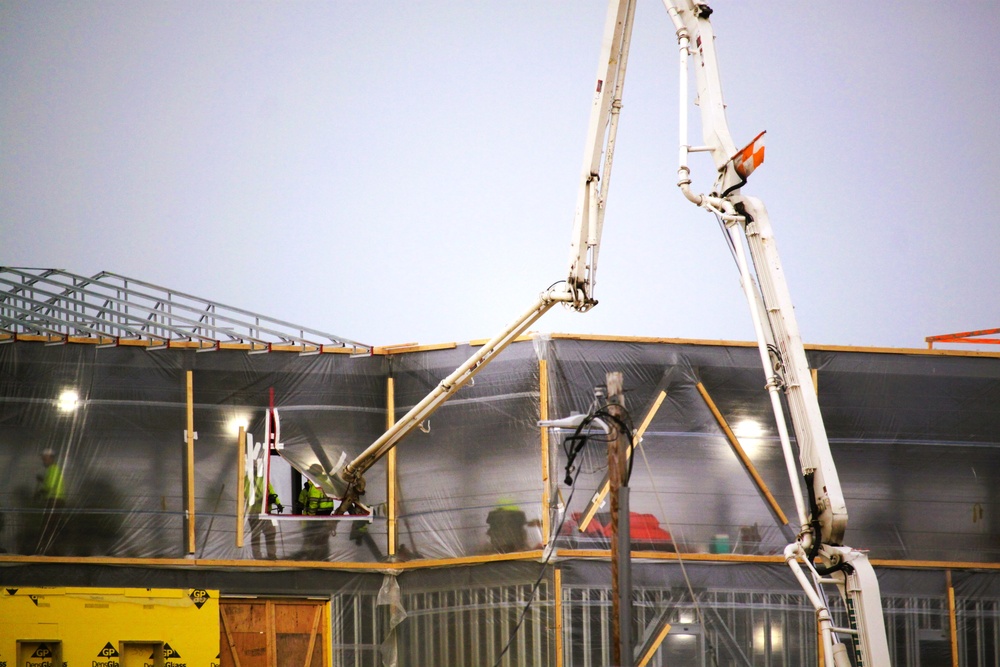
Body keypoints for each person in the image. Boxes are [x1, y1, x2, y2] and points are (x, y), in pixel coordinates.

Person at [245, 463, 283, 560]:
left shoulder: (264, 479)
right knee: (256, 536)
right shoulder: (246, 480)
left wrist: (277, 503)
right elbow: (247, 495)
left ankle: (272, 555)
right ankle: (257, 557)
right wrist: (263, 500)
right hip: (254, 512)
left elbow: (272, 492)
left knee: (271, 534)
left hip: (266, 512)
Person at [297, 478, 333, 560]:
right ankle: (324, 557)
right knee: (323, 538)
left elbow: (314, 502)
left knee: (313, 538)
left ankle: (312, 558)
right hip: (326, 514)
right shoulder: (327, 484)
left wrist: (311, 516)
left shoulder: (315, 486)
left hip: (316, 516)